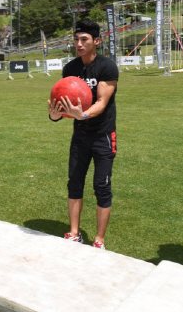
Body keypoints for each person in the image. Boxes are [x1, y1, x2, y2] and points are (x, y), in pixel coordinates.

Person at [48, 19, 118, 250]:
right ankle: (74, 233)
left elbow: (102, 101)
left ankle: (99, 240)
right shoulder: (70, 69)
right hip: (80, 137)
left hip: (103, 135)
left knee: (102, 186)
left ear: (96, 41)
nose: (79, 43)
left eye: (84, 39)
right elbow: (63, 108)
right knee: (74, 183)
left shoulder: (107, 67)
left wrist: (84, 115)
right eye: (76, 39)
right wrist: (55, 115)